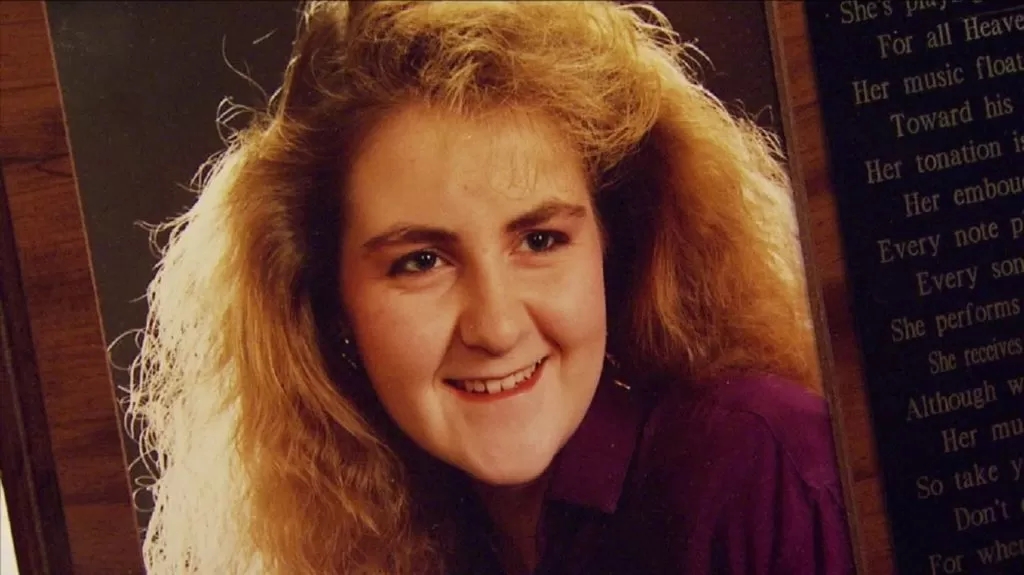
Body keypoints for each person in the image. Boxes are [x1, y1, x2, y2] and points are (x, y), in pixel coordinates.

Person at [127, 1, 855, 574]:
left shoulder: (764, 467)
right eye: (421, 261)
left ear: (616, 245)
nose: (497, 326)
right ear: (326, 301)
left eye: (540, 241)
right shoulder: (381, 533)